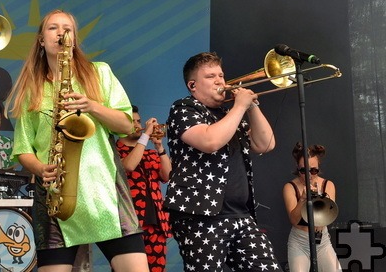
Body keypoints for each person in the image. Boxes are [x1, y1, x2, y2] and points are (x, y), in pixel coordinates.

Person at [6, 9, 149, 272]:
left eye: (67, 28)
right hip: (56, 197)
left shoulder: (99, 72)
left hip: (105, 192)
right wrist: (40, 169)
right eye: (53, 28)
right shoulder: (33, 88)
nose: (61, 33)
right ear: (40, 39)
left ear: (74, 38)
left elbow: (126, 124)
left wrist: (92, 106)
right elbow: (23, 148)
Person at [164, 51, 283, 272]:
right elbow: (210, 141)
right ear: (193, 85)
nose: (220, 80)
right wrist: (239, 107)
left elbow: (265, 144)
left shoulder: (228, 115)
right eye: (210, 76)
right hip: (200, 215)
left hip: (241, 214)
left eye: (221, 75)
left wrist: (251, 106)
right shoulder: (183, 108)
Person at [116, 105, 172, 272]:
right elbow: (129, 166)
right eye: (132, 122)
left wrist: (159, 148)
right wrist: (146, 135)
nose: (137, 125)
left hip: (156, 225)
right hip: (129, 226)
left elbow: (167, 176)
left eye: (138, 121)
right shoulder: (114, 151)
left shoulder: (149, 153)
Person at [283, 143, 342, 272]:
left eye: (313, 170)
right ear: (298, 169)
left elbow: (329, 216)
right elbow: (293, 220)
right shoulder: (290, 187)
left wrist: (320, 198)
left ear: (318, 168)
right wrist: (303, 199)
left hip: (322, 241)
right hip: (299, 242)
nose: (309, 175)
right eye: (303, 171)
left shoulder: (328, 185)